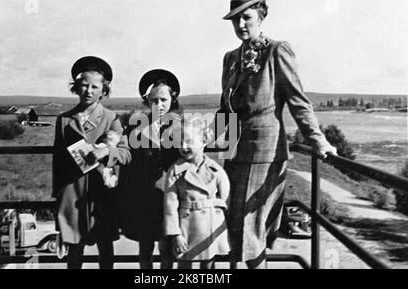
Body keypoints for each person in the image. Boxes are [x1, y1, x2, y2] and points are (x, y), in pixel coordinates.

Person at [217, 0, 337, 268]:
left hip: (265, 155)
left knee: (251, 231)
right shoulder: (230, 58)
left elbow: (297, 100)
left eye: (246, 17)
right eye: (235, 20)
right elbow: (225, 110)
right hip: (234, 156)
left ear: (261, 16)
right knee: (235, 229)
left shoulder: (277, 51)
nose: (240, 24)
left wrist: (318, 140)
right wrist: (211, 146)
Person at [52, 56, 131, 269]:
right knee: (74, 248)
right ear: (76, 88)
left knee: (105, 246)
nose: (88, 91)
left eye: (94, 86)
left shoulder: (111, 118)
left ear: (104, 91)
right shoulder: (64, 120)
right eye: (84, 85)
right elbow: (57, 162)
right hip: (72, 192)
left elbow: (125, 153)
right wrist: (57, 195)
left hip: (102, 194)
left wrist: (106, 150)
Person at [118, 69, 182, 269]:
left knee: (167, 247)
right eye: (154, 101)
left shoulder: (182, 126)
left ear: (172, 99)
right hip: (144, 196)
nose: (159, 105)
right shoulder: (136, 128)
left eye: (164, 99)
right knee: (145, 247)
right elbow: (129, 161)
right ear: (147, 101)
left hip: (170, 195)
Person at [163, 115, 230, 269]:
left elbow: (225, 195)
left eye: (189, 141)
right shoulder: (175, 171)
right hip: (186, 227)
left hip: (210, 226)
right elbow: (170, 206)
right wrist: (176, 234)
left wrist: (216, 209)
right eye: (180, 142)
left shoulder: (215, 169)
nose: (184, 146)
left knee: (208, 263)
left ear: (204, 141)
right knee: (184, 263)